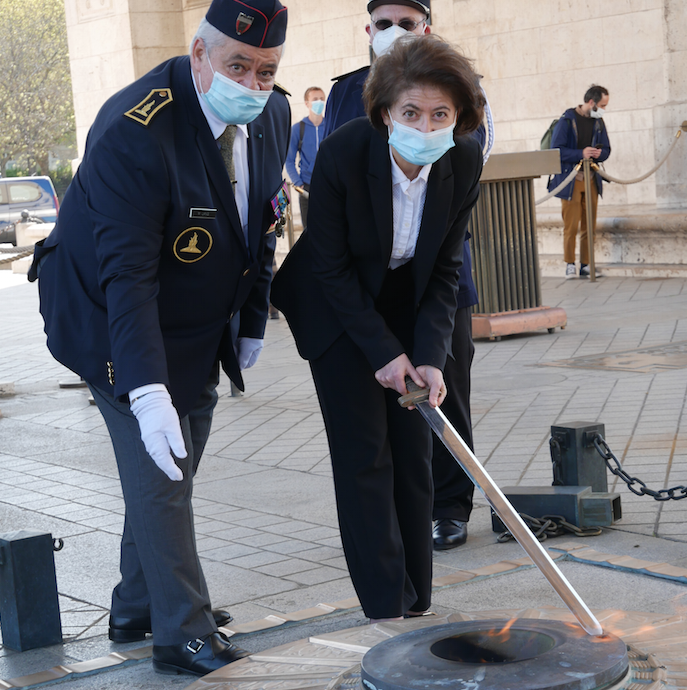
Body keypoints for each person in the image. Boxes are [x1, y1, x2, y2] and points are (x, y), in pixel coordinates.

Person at [29, 0, 290, 677]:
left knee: (175, 462)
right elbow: (128, 277)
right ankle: (183, 632)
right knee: (161, 470)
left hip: (198, 324)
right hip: (107, 319)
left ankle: (138, 605)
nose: (253, 85)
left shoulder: (273, 115)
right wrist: (145, 390)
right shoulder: (133, 129)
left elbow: (260, 225)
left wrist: (254, 319)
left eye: (266, 70)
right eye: (238, 66)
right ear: (199, 53)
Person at [271, 34, 484, 621]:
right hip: (334, 306)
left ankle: (419, 594)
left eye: (441, 114)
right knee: (366, 453)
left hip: (403, 300)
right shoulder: (343, 154)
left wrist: (430, 357)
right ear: (387, 111)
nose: (425, 124)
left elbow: (444, 270)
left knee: (414, 447)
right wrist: (385, 356)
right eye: (411, 111)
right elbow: (332, 269)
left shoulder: (462, 159)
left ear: (459, 118)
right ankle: (386, 601)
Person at [322, 0, 490, 551]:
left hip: (432, 267)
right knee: (378, 412)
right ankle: (394, 518)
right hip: (362, 275)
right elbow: (335, 188)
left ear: (427, 27)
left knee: (445, 384)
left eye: (407, 22)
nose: (394, 32)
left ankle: (450, 504)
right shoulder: (349, 90)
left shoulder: (458, 92)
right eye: (383, 23)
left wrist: (427, 351)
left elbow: (446, 255)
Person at [548, 85, 611, 279]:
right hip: (571, 180)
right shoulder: (567, 121)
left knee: (589, 225)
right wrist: (580, 153)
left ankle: (586, 264)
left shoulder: (599, 122)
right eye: (602, 105)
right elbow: (556, 150)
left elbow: (607, 149)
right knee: (571, 225)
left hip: (591, 178)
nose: (604, 109)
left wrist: (600, 154)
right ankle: (569, 264)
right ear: (591, 102)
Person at [285, 86, 326, 230]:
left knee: (330, 229)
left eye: (322, 99)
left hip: (329, 186)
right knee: (309, 230)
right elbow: (289, 160)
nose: (319, 102)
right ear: (307, 103)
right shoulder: (298, 129)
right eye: (315, 99)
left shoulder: (330, 126)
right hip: (307, 188)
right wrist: (298, 183)